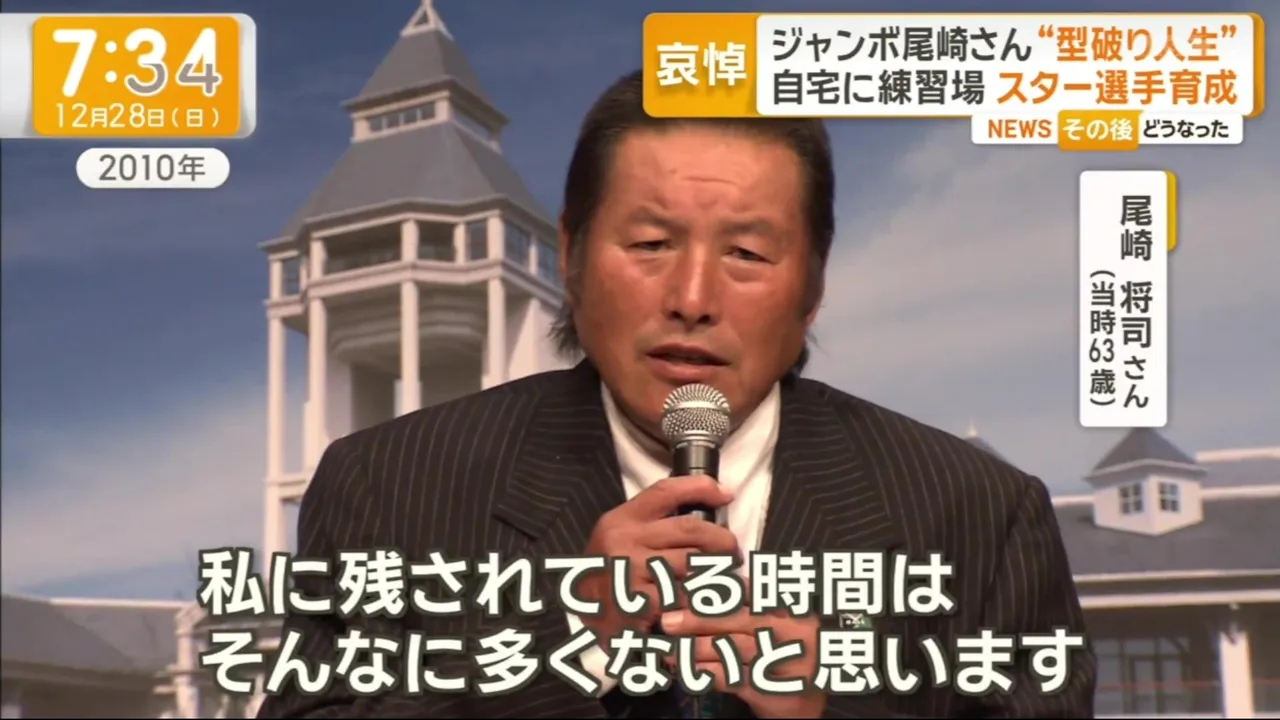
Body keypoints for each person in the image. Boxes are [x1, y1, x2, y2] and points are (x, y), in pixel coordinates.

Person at [258, 69, 1096, 719]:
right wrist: (565, 647)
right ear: (571, 257)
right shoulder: (386, 487)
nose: (693, 297)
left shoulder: (980, 514)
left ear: (812, 288)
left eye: (748, 255)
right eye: (652, 243)